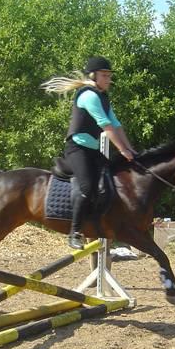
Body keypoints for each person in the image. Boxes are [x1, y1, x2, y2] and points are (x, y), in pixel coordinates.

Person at [42, 56, 137, 249]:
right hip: (77, 149)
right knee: (87, 187)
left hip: (92, 151)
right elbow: (107, 127)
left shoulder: (103, 98)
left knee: (111, 178)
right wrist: (122, 150)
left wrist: (130, 149)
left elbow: (117, 126)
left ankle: (103, 224)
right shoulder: (89, 96)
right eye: (104, 75)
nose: (108, 79)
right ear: (93, 76)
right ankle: (74, 232)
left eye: (109, 76)